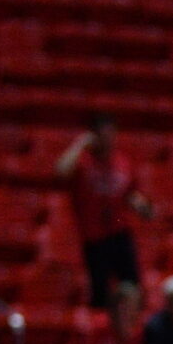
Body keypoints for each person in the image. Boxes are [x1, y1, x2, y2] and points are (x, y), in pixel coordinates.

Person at [57, 116, 152, 308]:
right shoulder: (83, 162)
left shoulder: (123, 161)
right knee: (100, 293)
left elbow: (130, 193)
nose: (108, 139)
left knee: (132, 288)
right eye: (103, 134)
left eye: (111, 133)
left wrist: (142, 206)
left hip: (120, 233)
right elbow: (60, 171)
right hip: (94, 238)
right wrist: (80, 144)